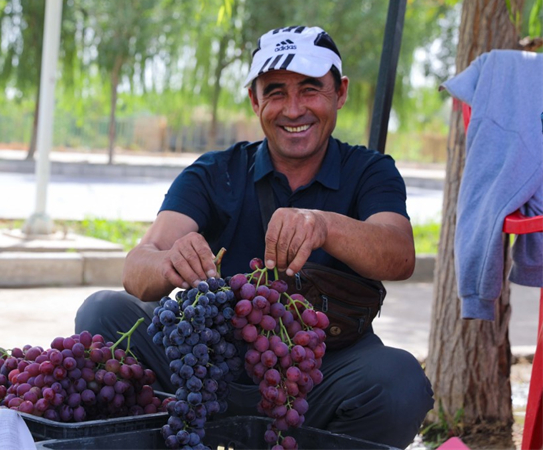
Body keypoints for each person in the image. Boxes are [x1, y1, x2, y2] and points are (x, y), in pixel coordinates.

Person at [76, 25, 434, 448]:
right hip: (206, 374)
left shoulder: (369, 171)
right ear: (255, 100)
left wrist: (324, 225)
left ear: (341, 93)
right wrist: (169, 262)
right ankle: (181, 434)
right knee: (101, 313)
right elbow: (138, 267)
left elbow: (399, 255)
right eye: (276, 91)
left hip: (317, 380)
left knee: (400, 382)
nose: (294, 108)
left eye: (310, 89)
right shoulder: (215, 171)